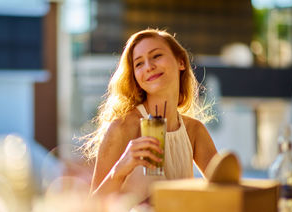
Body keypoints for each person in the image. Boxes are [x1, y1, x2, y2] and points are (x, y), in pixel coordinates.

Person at [81, 29, 217, 197]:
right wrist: (120, 169)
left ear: (181, 62)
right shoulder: (122, 128)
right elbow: (92, 211)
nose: (149, 67)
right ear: (136, 77)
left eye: (156, 56)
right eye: (139, 63)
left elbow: (226, 186)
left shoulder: (194, 131)